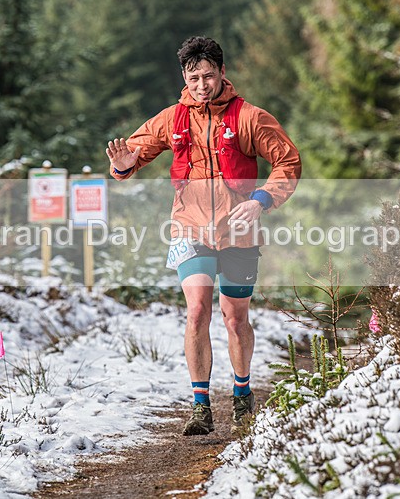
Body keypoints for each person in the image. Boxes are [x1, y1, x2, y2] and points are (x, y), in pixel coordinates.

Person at [106, 36, 301, 435]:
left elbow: (289, 162)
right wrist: (125, 165)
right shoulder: (172, 118)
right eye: (193, 77)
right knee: (197, 310)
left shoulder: (250, 118)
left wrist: (261, 200)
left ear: (222, 72)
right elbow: (133, 153)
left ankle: (243, 393)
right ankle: (200, 406)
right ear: (184, 76)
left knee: (235, 318)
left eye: (208, 76)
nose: (201, 85)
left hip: (240, 231)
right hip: (188, 227)